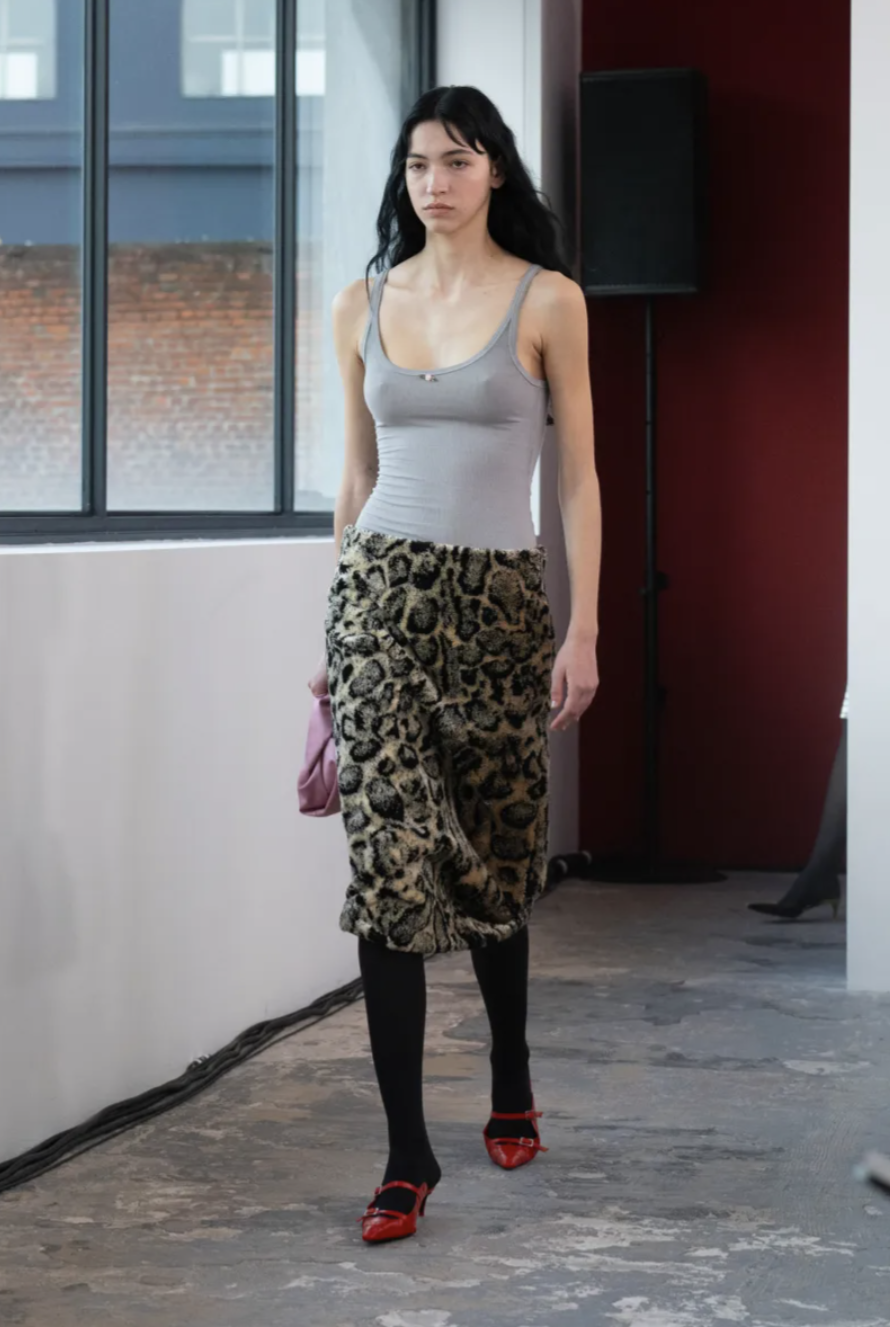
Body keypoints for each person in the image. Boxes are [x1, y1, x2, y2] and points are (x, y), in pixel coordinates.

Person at [308, 85, 601, 1244]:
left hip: (497, 608)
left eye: (457, 161)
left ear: (495, 173)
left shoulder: (548, 300)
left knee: (492, 857)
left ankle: (510, 1074)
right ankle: (404, 1154)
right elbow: (353, 478)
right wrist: (330, 635)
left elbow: (575, 476)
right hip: (379, 602)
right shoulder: (359, 302)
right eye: (418, 163)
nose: (434, 182)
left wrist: (581, 628)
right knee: (388, 866)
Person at [748, 686, 847, 919]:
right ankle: (818, 876)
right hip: (870, 682)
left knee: (851, 779)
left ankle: (818, 877)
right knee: (847, 780)